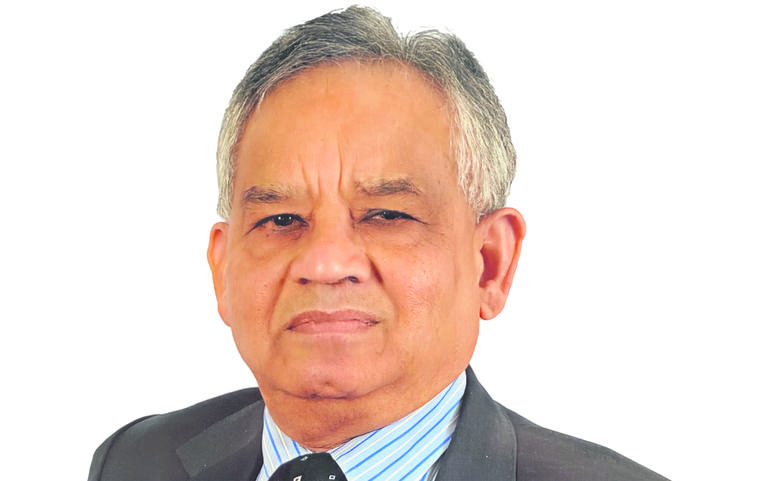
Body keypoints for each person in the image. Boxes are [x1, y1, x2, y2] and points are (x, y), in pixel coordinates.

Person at [88, 6, 668, 481]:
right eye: (282, 219)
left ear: (490, 263)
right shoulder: (136, 462)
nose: (325, 263)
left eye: (387, 215)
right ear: (221, 268)